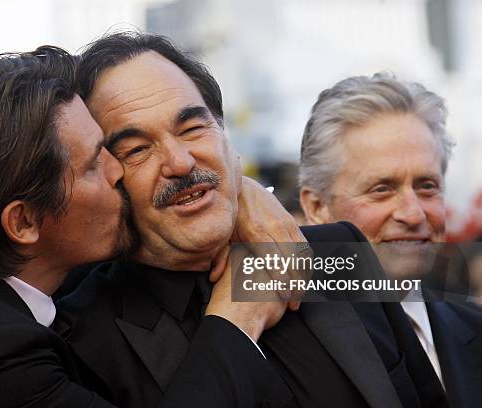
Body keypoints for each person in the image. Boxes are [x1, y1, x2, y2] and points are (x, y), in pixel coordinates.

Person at [0, 46, 297, 408]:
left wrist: (236, 188)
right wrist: (240, 312)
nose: (118, 172)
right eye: (103, 159)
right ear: (24, 221)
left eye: (192, 127)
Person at [61, 32, 430, 408]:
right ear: (103, 173)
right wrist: (237, 320)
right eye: (137, 149)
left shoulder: (339, 252)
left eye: (192, 128)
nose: (180, 162)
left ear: (225, 135)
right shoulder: (81, 340)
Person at [299, 72, 482, 407]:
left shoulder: (475, 330)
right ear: (316, 207)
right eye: (381, 189)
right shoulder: (278, 345)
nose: (413, 215)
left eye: (427, 186)